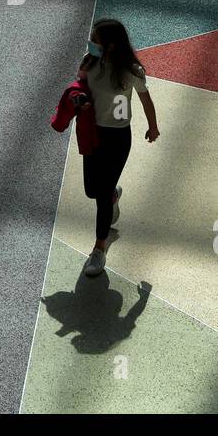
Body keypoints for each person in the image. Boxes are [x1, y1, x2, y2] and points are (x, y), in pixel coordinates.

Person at [76, 19, 159, 277]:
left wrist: (153, 127)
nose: (91, 43)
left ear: (111, 45)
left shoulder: (131, 71)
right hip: (93, 133)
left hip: (117, 138)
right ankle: (113, 195)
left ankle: (99, 249)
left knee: (99, 195)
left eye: (95, 39)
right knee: (93, 190)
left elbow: (146, 99)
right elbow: (78, 88)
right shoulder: (88, 62)